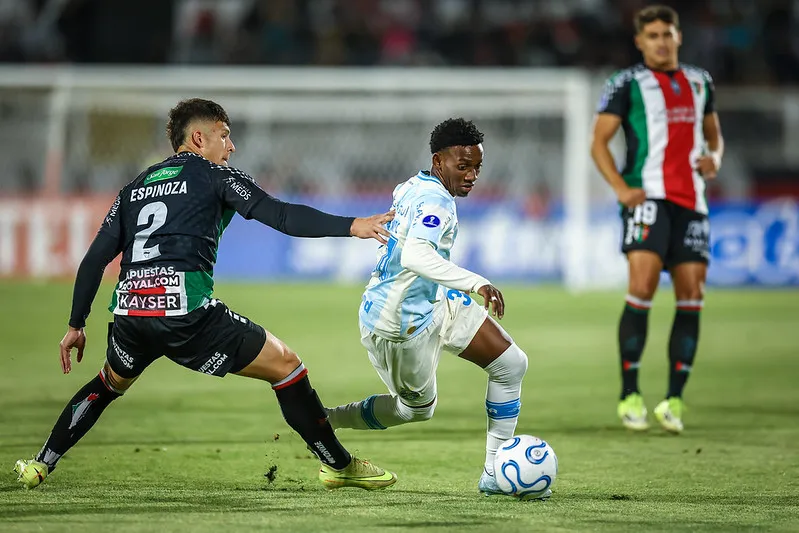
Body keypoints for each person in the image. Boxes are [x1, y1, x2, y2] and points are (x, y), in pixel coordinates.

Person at [14, 98, 398, 490]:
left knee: (109, 383)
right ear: (199, 138)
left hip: (131, 312)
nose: (231, 147)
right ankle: (338, 464)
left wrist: (76, 324)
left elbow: (94, 260)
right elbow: (281, 215)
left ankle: (41, 463)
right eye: (225, 136)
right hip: (185, 313)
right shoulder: (215, 176)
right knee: (287, 366)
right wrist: (352, 225)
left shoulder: (135, 187)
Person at [325, 118, 546, 499]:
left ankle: (494, 474)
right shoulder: (436, 200)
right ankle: (327, 419)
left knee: (511, 364)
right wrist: (475, 281)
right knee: (415, 410)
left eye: (477, 167)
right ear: (438, 161)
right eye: (464, 166)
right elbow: (415, 255)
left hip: (432, 301)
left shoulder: (414, 185)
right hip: (398, 324)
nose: (473, 175)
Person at [590, 5, 724, 434]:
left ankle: (675, 401)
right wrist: (620, 188)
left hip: (692, 202)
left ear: (679, 37)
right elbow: (599, 143)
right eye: (653, 35)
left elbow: (714, 135)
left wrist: (715, 158)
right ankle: (630, 393)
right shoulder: (626, 84)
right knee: (642, 288)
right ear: (640, 41)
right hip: (647, 198)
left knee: (692, 295)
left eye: (667, 33)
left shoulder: (701, 81)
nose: (661, 41)